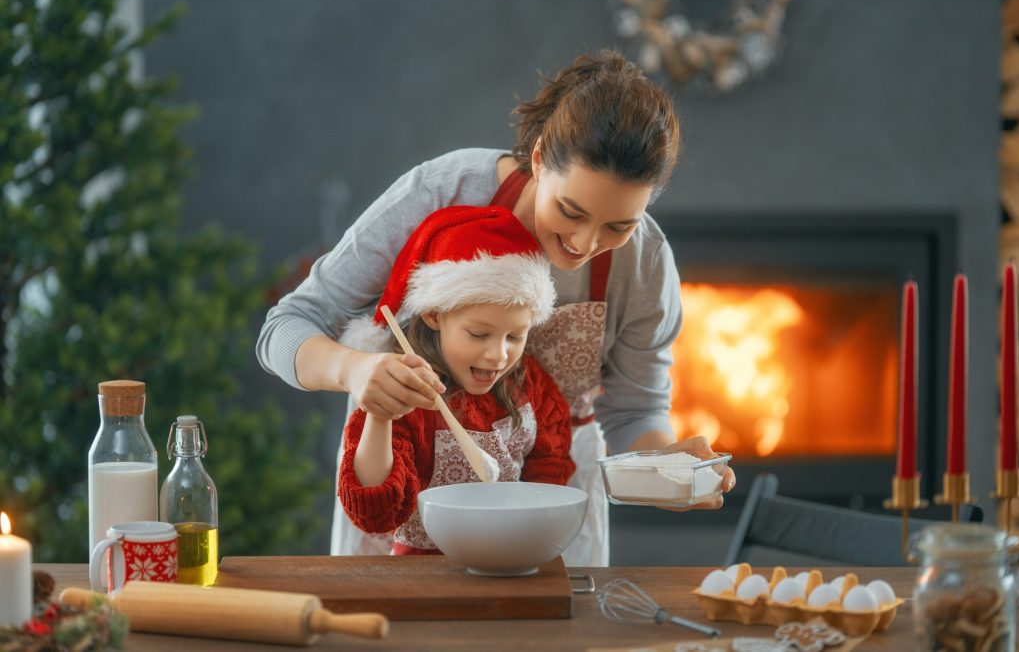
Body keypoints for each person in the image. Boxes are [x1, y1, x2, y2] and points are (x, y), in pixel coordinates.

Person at [257, 50, 737, 567]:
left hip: (553, 506)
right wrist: (355, 370)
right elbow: (284, 329)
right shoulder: (445, 190)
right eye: (570, 211)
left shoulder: (644, 263)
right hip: (398, 497)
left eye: (618, 226)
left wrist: (665, 467)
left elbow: (634, 410)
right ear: (537, 160)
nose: (583, 242)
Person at [336, 205, 575, 553]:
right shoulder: (406, 392)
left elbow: (548, 475)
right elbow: (377, 515)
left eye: (514, 337)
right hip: (421, 578)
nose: (498, 355)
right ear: (434, 315)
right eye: (479, 334)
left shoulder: (531, 387)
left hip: (511, 562)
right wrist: (381, 414)